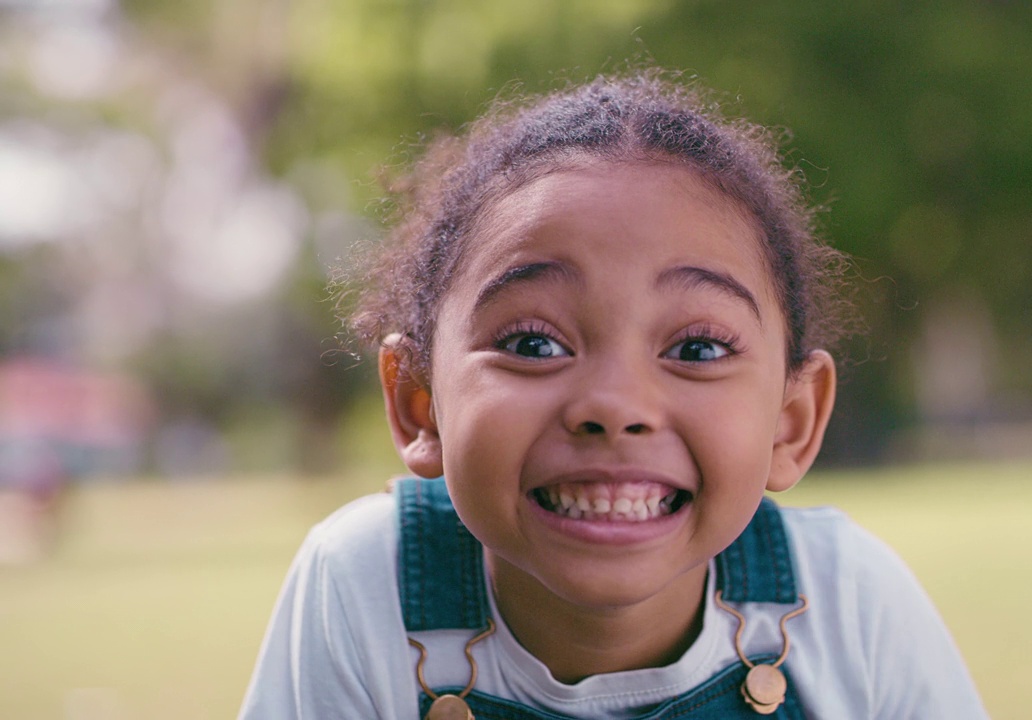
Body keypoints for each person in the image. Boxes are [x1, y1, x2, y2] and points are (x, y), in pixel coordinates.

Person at [239, 69, 988, 719]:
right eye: (534, 343)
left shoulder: (846, 600)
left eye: (696, 349)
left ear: (790, 424)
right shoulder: (365, 587)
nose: (615, 405)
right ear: (418, 403)